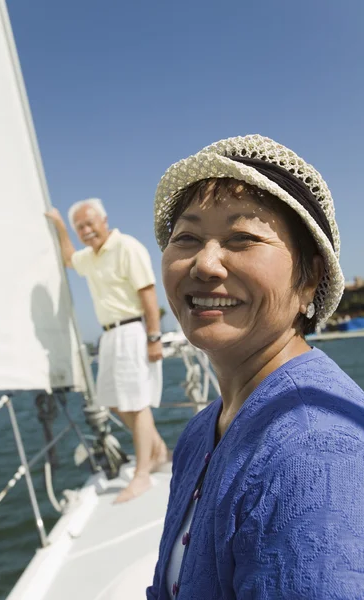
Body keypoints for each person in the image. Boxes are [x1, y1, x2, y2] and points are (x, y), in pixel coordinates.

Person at [147, 134, 364, 598]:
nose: (205, 264)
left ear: (310, 280)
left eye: (242, 238)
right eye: (186, 237)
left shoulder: (315, 453)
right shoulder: (201, 431)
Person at [46, 198, 167, 503]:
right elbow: (69, 258)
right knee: (114, 402)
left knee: (136, 404)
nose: (86, 231)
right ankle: (158, 449)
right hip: (109, 337)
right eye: (79, 227)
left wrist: (154, 337)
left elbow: (148, 293)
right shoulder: (91, 257)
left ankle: (142, 474)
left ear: (104, 220)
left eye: (89, 224)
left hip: (131, 331)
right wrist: (60, 226)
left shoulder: (127, 247)